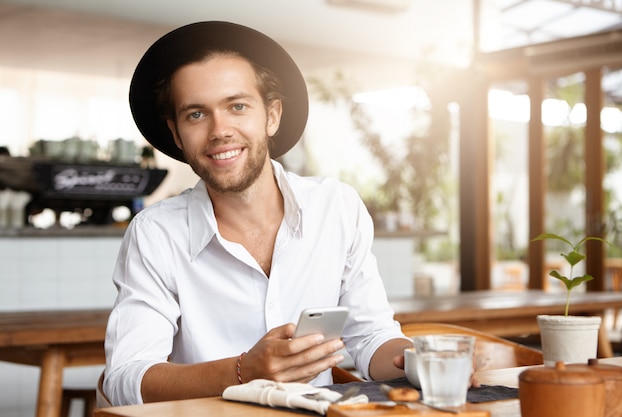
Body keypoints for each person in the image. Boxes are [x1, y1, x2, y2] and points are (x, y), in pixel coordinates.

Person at [103, 21, 413, 406]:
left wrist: (416, 362)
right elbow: (125, 379)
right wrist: (244, 371)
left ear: (271, 116)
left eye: (237, 106)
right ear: (177, 134)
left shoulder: (336, 207)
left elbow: (372, 338)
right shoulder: (156, 233)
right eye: (196, 114)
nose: (220, 130)